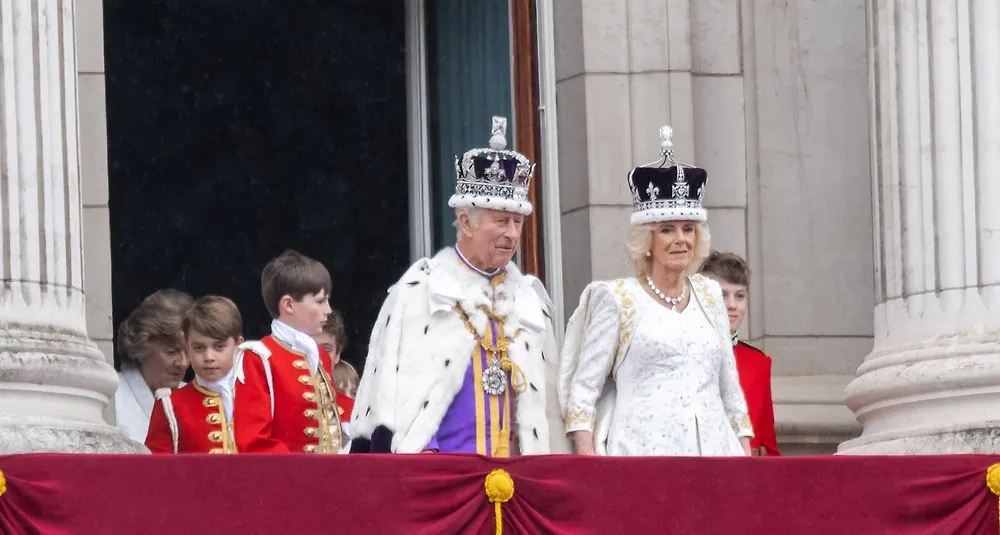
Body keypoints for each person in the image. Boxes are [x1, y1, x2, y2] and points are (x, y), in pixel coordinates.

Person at [350, 116, 569, 455]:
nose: (511, 233)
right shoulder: (420, 291)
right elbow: (391, 400)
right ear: (467, 222)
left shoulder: (529, 299)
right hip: (444, 477)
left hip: (519, 480)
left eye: (517, 222)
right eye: (501, 221)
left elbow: (549, 412)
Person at [559, 125, 753, 457]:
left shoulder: (709, 294)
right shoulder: (617, 298)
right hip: (642, 459)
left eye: (688, 228)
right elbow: (584, 391)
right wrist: (589, 463)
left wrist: (746, 456)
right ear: (646, 241)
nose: (681, 239)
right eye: (667, 229)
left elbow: (729, 388)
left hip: (716, 458)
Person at [232, 249, 345, 454]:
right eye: (320, 301)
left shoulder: (319, 356)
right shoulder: (259, 358)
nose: (328, 310)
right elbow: (254, 442)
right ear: (288, 305)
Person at [700, 251, 780, 456]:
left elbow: (768, 445)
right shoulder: (684, 354)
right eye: (722, 295)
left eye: (740, 296)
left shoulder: (758, 362)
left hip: (748, 478)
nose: (733, 305)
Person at [145, 295, 245, 454]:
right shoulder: (171, 406)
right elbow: (157, 473)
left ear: (238, 346)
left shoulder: (264, 398)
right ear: (187, 346)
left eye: (219, 347)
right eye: (199, 348)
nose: (209, 357)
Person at [114, 289, 193, 443]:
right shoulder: (112, 395)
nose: (183, 363)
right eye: (171, 352)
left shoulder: (195, 398)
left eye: (190, 350)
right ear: (142, 346)